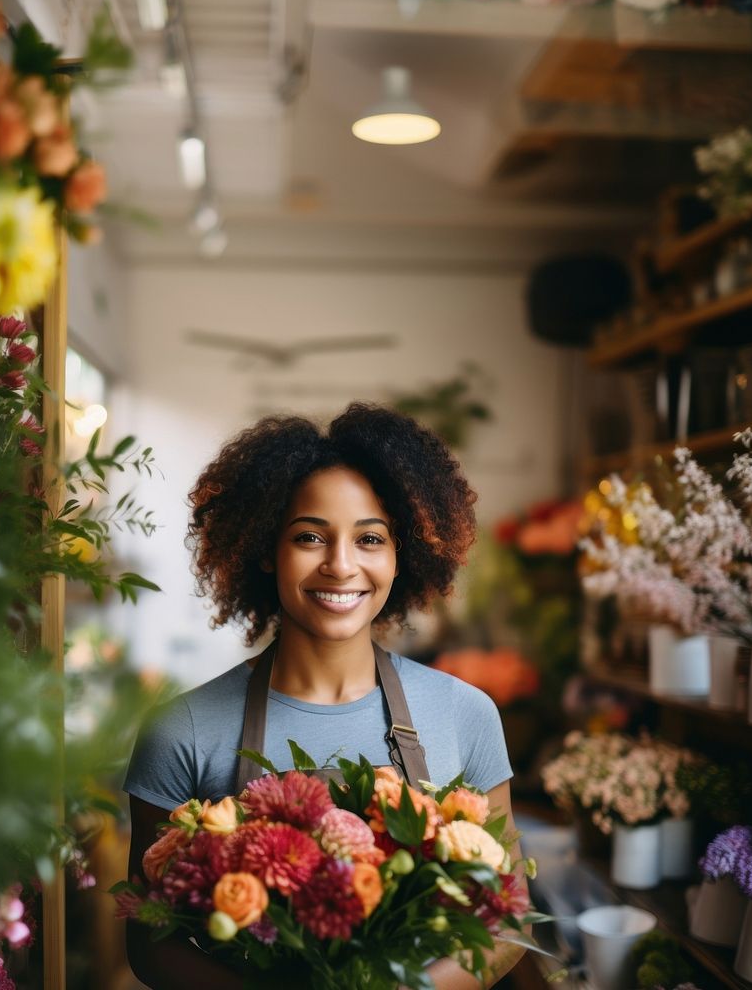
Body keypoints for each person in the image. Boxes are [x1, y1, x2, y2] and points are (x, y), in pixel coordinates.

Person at [123, 402, 527, 990]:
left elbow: (509, 920)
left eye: (370, 538)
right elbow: (149, 940)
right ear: (266, 549)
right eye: (310, 536)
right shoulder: (181, 728)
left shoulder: (466, 715)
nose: (341, 565)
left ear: (399, 556)